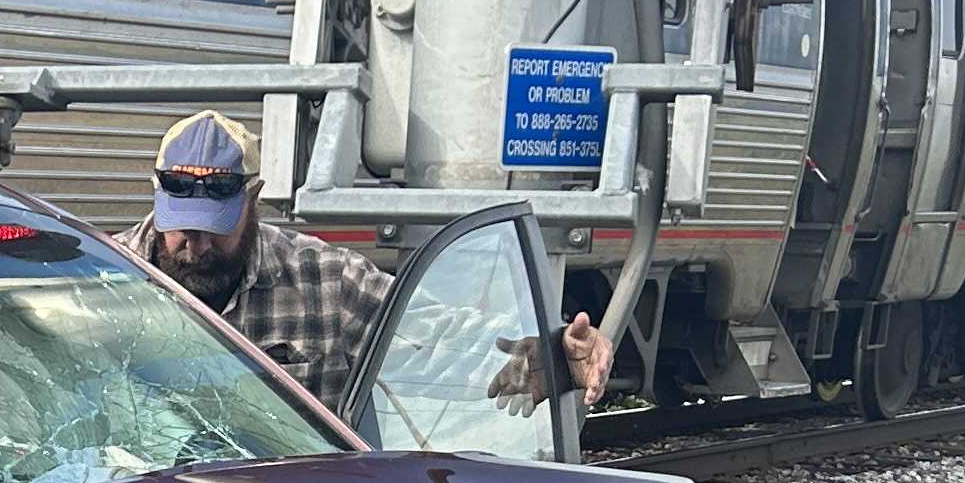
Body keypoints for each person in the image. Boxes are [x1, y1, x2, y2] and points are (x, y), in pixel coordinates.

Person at [118, 113, 611, 411]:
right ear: (156, 194)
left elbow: (434, 339)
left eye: (217, 227)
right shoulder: (105, 282)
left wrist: (554, 360)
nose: (197, 246)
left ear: (254, 198)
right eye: (181, 224)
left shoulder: (323, 282)